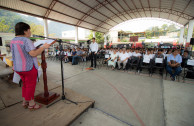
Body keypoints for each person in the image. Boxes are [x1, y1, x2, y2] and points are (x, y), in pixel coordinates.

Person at [10, 22, 51, 110]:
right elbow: (33, 54)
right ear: (25, 31)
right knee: (30, 86)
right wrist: (43, 47)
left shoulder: (13, 40)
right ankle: (31, 104)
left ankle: (24, 101)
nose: (30, 32)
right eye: (29, 30)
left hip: (18, 68)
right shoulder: (26, 40)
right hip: (28, 68)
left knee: (25, 84)